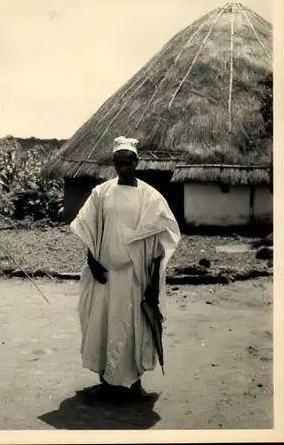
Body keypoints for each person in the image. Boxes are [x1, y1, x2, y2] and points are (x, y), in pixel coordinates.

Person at [70, 136, 181, 402]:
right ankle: (107, 383)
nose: (124, 169)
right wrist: (91, 260)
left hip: (136, 277)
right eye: (118, 164)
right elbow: (90, 229)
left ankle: (133, 383)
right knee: (104, 325)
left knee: (134, 327)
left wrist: (153, 282)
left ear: (136, 162)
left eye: (128, 163)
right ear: (113, 164)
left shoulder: (151, 197)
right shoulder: (101, 193)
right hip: (106, 275)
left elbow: (159, 242)